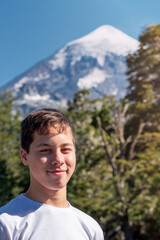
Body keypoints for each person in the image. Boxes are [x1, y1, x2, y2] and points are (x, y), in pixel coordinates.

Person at [0, 108, 104, 240]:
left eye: (65, 149)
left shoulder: (90, 228)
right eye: (45, 150)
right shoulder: (6, 224)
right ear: (24, 156)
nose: (58, 160)